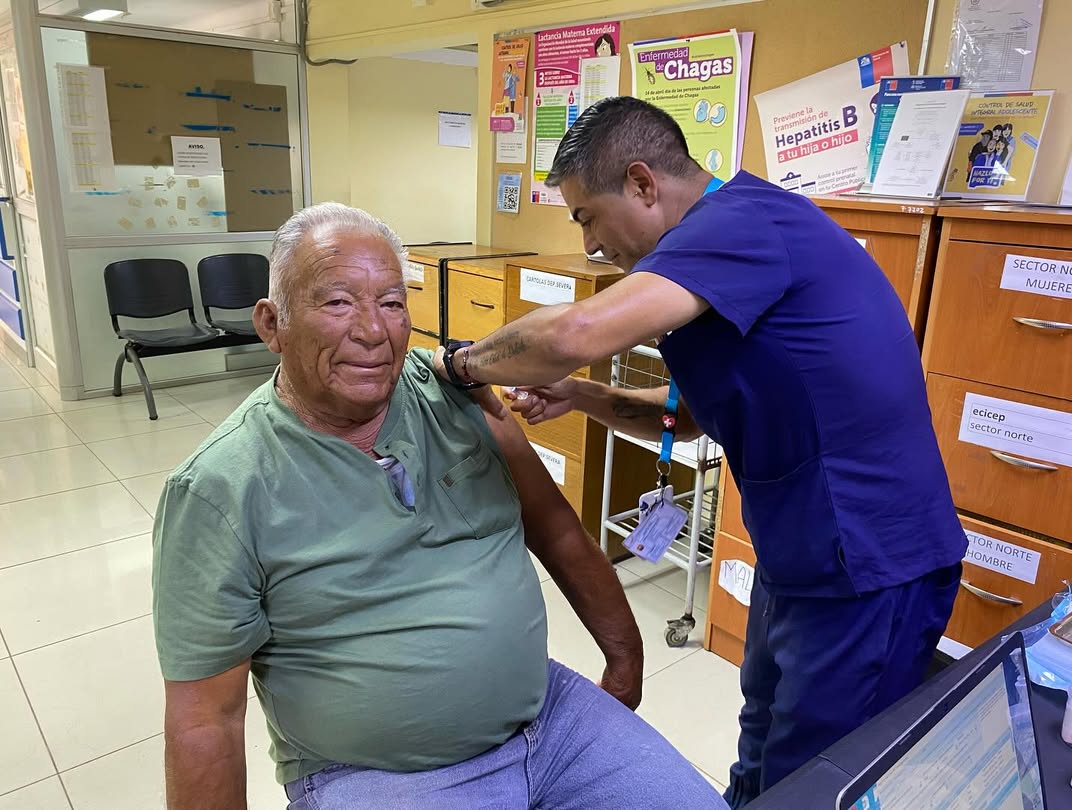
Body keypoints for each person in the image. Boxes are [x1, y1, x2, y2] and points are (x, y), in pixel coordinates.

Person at [434, 97, 967, 807]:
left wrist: (459, 364)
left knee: (817, 777)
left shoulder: (742, 224)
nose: (590, 245)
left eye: (587, 217)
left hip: (869, 562)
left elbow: (572, 334)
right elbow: (686, 419)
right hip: (802, 553)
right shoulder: (712, 256)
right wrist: (580, 395)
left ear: (642, 183)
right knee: (764, 744)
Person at [152, 202, 727, 810]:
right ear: (272, 324)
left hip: (550, 720)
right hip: (378, 774)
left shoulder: (456, 397)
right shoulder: (219, 489)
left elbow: (555, 527)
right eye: (338, 302)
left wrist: (624, 654)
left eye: (392, 303)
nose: (373, 331)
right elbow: (205, 721)